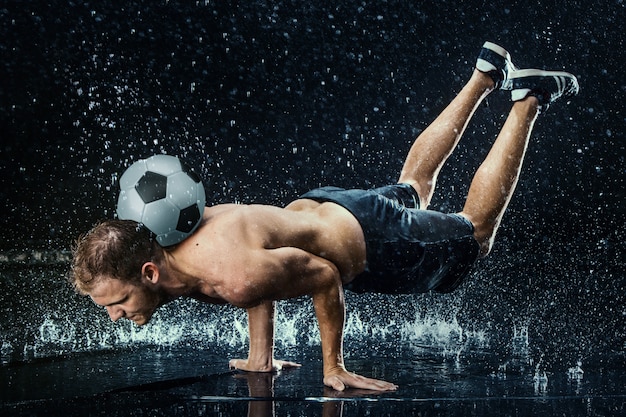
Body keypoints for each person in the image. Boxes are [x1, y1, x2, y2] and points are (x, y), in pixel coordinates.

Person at [70, 42, 578, 392]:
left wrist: (333, 365)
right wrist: (259, 358)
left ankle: (527, 100)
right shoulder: (186, 237)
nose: (113, 315)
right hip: (327, 208)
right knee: (414, 188)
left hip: (371, 240)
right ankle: (484, 73)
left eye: (116, 302)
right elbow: (259, 282)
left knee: (476, 231)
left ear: (149, 272)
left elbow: (322, 275)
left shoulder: (226, 272)